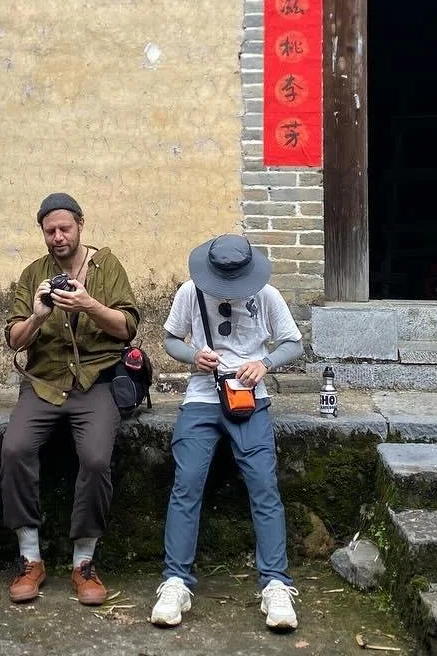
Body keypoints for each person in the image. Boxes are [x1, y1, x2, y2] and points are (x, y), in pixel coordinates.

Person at [149, 234, 306, 632]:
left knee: (264, 485)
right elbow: (170, 340)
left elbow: (293, 343)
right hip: (201, 397)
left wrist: (265, 364)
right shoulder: (190, 291)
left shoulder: (266, 294)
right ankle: (176, 582)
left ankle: (275, 582)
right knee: (186, 483)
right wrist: (193, 355)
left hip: (249, 399)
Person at [0, 192, 140, 607]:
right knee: (14, 449)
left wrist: (89, 304)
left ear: (81, 225)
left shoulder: (106, 266)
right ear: (42, 233)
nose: (58, 237)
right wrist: (39, 314)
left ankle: (83, 563)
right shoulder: (33, 275)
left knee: (96, 459)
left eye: (65, 228)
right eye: (50, 231)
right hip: (43, 381)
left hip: (96, 381)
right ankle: (30, 558)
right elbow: (14, 339)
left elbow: (127, 328)